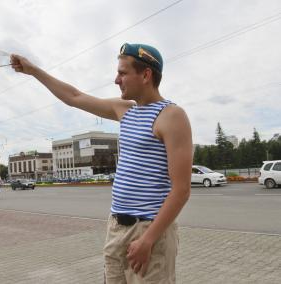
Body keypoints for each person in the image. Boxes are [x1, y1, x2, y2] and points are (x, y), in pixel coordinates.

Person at [11, 43, 192, 283]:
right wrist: (33, 71)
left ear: (146, 75)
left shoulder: (171, 116)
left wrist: (148, 240)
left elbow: (181, 190)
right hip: (117, 227)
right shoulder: (124, 110)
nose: (117, 79)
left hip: (149, 231)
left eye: (123, 73)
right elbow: (74, 97)